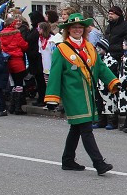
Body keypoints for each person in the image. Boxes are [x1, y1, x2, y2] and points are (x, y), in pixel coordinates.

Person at [44, 12, 119, 174]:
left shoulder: (90, 47)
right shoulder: (61, 49)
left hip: (88, 94)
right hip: (73, 95)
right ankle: (99, 163)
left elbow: (100, 68)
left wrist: (113, 82)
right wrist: (52, 97)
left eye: (80, 27)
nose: (77, 30)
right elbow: (55, 74)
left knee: (76, 128)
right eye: (73, 27)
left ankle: (68, 160)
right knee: (86, 128)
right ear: (68, 30)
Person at [0, 12, 28, 115]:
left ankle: (11, 106)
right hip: (17, 60)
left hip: (7, 60)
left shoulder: (1, 33)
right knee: (19, 83)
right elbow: (23, 45)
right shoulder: (16, 33)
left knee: (13, 83)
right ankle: (17, 107)